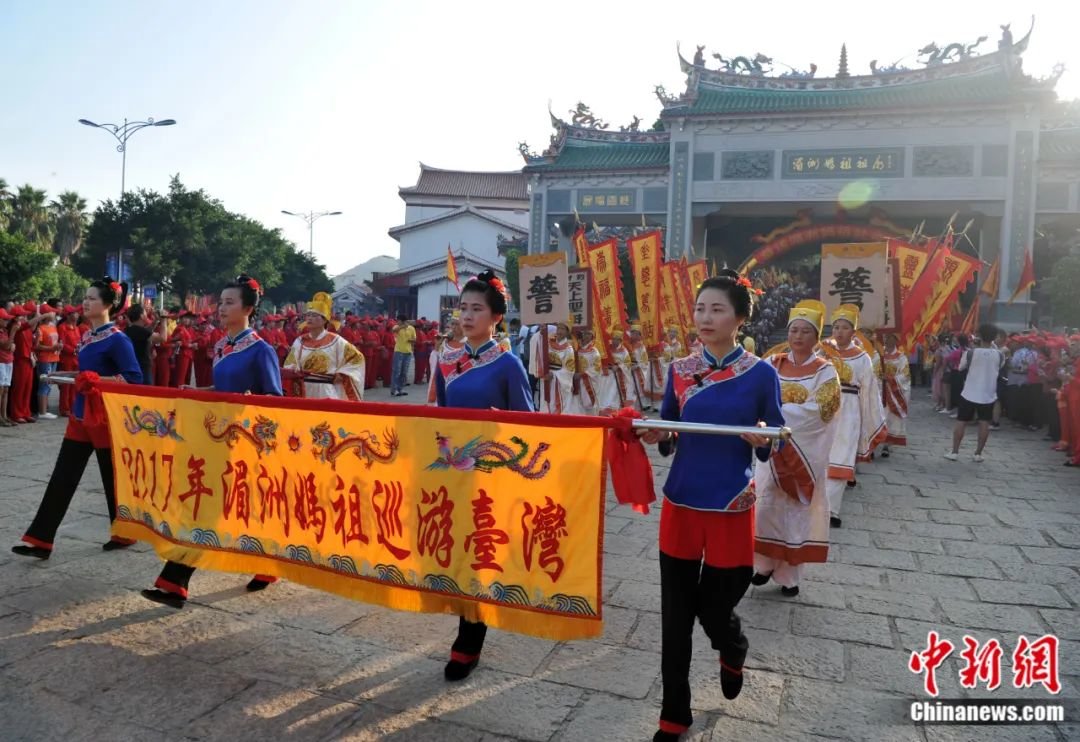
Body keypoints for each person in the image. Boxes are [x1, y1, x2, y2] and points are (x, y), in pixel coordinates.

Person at [637, 271, 783, 742]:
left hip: (731, 502)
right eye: (700, 308)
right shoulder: (679, 369)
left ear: (739, 318)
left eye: (717, 309)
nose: (705, 317)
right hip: (681, 499)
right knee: (675, 617)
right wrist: (660, 433)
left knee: (716, 607)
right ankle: (673, 713)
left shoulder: (763, 373)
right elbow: (670, 425)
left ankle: (732, 645)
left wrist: (764, 440)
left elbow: (775, 436)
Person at [141, 275, 284, 609]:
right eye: (220, 302)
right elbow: (223, 392)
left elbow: (275, 401)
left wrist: (251, 406)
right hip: (216, 438)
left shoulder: (261, 350)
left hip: (245, 444)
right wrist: (196, 393)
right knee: (240, 509)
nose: (221, 308)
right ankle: (267, 565)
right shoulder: (222, 345)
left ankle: (174, 581)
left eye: (229, 302)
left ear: (248, 308)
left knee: (207, 507)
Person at [433, 270, 533, 682]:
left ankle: (468, 641)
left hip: (490, 475)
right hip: (454, 472)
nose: (467, 315)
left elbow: (526, 424)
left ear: (495, 317)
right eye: (463, 308)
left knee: (479, 554)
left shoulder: (508, 364)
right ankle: (466, 619)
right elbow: (437, 416)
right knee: (456, 552)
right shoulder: (447, 361)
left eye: (477, 309)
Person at [11, 278, 143, 560]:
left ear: (109, 304)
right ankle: (41, 538)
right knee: (62, 476)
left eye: (93, 298)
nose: (86, 302)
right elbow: (86, 374)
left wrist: (96, 380)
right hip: (80, 416)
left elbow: (133, 379)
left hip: (104, 418)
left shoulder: (118, 340)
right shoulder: (87, 337)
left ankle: (124, 532)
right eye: (85, 297)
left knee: (112, 478)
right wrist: (67, 377)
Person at [753, 300, 840, 597]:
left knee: (797, 509)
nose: (798, 336)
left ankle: (789, 575)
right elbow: (756, 396)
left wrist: (779, 416)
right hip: (772, 451)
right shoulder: (771, 363)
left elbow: (823, 410)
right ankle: (763, 564)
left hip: (804, 452)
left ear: (816, 336)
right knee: (765, 503)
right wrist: (774, 419)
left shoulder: (826, 371)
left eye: (805, 331)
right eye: (794, 330)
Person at [821, 304, 886, 527]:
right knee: (820, 457)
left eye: (845, 327)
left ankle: (832, 510)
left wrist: (870, 419)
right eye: (836, 327)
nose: (839, 331)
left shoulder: (862, 358)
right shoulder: (822, 352)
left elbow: (869, 390)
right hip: (824, 410)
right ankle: (815, 506)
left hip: (849, 412)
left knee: (841, 458)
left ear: (853, 331)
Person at [283, 291, 366, 401]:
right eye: (308, 315)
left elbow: (357, 358)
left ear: (324, 319)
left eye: (314, 315)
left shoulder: (336, 341)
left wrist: (342, 374)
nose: (309, 318)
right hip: (304, 390)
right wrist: (294, 370)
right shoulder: (300, 341)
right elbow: (290, 363)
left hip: (327, 390)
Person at [946, 324, 1005, 463]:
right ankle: (978, 453)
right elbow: (1000, 367)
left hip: (969, 392)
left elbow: (960, 367)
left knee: (961, 421)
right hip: (988, 394)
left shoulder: (971, 353)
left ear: (979, 335)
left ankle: (954, 451)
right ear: (994, 337)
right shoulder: (1000, 355)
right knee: (984, 423)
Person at [880, 333, 911, 457]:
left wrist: (890, 379)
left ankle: (886, 444)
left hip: (893, 392)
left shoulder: (901, 357)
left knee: (890, 417)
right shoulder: (878, 354)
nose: (888, 341)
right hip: (879, 390)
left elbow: (905, 375)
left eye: (892, 339)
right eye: (887, 338)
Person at [542, 321, 576, 414]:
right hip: (547, 380)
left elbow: (569, 370)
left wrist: (553, 374)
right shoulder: (548, 344)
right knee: (545, 405)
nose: (559, 331)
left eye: (562, 329)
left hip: (559, 382)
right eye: (558, 328)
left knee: (558, 408)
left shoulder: (568, 349)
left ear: (567, 332)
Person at [34, 305, 61, 419]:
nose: (54, 314)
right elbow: (36, 346)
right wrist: (51, 349)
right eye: (52, 312)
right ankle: (42, 412)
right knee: (44, 384)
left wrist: (58, 347)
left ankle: (45, 409)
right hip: (45, 359)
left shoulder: (53, 327)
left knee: (49, 384)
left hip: (54, 358)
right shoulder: (41, 328)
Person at [123, 304, 157, 385]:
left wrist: (155, 321)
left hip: (134, 367)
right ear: (141, 316)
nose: (147, 314)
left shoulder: (129, 329)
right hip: (143, 368)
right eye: (145, 312)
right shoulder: (140, 331)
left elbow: (147, 331)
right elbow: (163, 338)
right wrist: (164, 320)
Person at [57, 306, 82, 414]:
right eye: (74, 313)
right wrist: (73, 350)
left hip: (76, 358)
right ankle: (64, 408)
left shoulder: (76, 327)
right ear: (68, 315)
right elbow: (62, 344)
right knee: (66, 385)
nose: (76, 315)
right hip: (67, 359)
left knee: (74, 384)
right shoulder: (62, 327)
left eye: (76, 313)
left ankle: (73, 406)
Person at [390, 313, 415, 396]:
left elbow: (414, 339)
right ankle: (394, 390)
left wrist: (410, 340)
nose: (397, 321)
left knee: (404, 372)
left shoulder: (411, 328)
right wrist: (402, 327)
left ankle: (400, 389)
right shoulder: (396, 327)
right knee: (397, 371)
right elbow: (393, 331)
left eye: (399, 320)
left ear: (402, 321)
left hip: (408, 352)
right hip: (398, 351)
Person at [0, 309, 14, 427]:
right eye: (4, 319)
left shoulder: (4, 330)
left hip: (8, 360)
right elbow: (6, 345)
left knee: (5, 390)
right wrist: (13, 332)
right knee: (1, 391)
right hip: (1, 362)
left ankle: (4, 415)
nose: (7, 321)